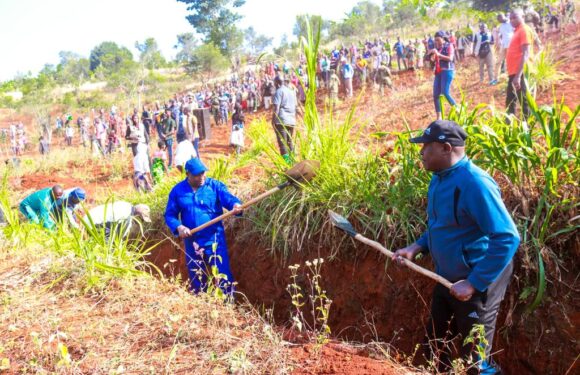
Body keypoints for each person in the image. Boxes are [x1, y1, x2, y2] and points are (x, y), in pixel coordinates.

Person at [392, 120, 520, 374]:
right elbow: (443, 226)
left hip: (477, 282)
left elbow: (507, 237)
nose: (421, 152)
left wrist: (473, 282)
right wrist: (416, 247)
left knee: (475, 361)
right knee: (434, 348)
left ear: (446, 148)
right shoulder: (438, 180)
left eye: (426, 147)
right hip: (447, 279)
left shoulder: (475, 183)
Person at [164, 158, 243, 296]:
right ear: (187, 174)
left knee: (222, 274)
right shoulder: (178, 191)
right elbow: (170, 215)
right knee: (197, 276)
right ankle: (201, 304)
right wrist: (179, 227)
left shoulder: (214, 186)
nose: (201, 177)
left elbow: (228, 199)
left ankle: (228, 304)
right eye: (196, 175)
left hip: (215, 239)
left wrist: (235, 205)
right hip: (192, 241)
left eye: (203, 173)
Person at [506, 9, 533, 119]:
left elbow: (525, 53)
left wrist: (518, 76)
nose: (512, 20)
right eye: (511, 18)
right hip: (514, 72)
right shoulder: (517, 31)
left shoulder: (524, 30)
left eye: (515, 17)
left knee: (523, 100)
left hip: (520, 72)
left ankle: (528, 128)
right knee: (511, 100)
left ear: (523, 16)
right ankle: (509, 126)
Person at [82, 201, 151, 240]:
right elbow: (118, 239)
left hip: (87, 218)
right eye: (141, 220)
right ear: (137, 216)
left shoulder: (126, 205)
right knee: (108, 244)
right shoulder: (127, 218)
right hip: (93, 224)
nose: (140, 222)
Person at [430, 31, 457, 120]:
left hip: (447, 71)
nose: (437, 42)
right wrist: (433, 57)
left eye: (438, 40)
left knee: (445, 92)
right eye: (435, 41)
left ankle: (457, 109)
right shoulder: (438, 47)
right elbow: (434, 60)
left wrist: (438, 55)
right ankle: (439, 117)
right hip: (438, 72)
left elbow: (450, 58)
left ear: (443, 38)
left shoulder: (449, 45)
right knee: (435, 94)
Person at [272, 75, 297, 163]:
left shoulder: (279, 91)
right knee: (290, 142)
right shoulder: (291, 92)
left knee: (283, 144)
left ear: (277, 83)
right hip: (292, 120)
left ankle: (287, 164)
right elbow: (295, 106)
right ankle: (293, 162)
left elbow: (276, 108)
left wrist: (273, 121)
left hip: (282, 121)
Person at [496, 13, 514, 81]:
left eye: (499, 19)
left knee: (509, 61)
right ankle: (496, 78)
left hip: (511, 45)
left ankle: (509, 76)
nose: (499, 21)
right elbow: (501, 35)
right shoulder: (500, 26)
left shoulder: (511, 23)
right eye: (498, 20)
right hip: (503, 45)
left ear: (502, 17)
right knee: (498, 62)